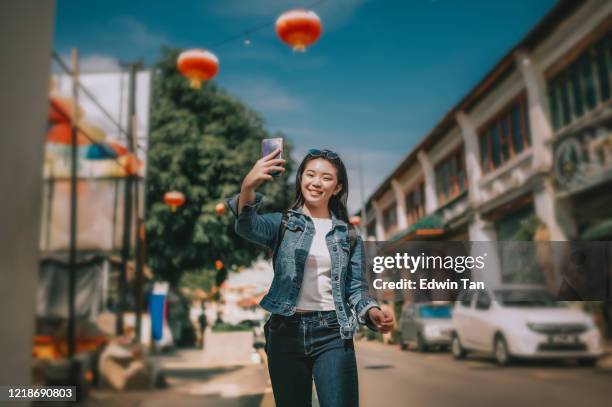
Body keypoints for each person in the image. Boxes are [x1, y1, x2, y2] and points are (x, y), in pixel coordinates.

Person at [228, 147, 394, 407]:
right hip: (285, 332)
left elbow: (357, 289)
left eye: (326, 178)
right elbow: (247, 226)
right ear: (301, 179)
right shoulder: (282, 223)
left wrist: (372, 311)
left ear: (337, 188)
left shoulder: (348, 234)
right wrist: (248, 185)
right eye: (310, 174)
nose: (316, 182)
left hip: (333, 333)